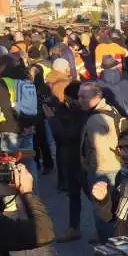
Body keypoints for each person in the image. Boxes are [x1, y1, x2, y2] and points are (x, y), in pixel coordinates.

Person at [79, 82, 121, 242]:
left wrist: (90, 168)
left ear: (97, 97)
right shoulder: (111, 109)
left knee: (103, 209)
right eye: (79, 96)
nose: (79, 100)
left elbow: (99, 151)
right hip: (114, 165)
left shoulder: (95, 119)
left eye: (84, 97)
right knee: (114, 206)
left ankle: (108, 244)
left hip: (103, 169)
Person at [44, 83, 86, 243]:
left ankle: (105, 227)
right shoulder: (73, 111)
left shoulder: (80, 113)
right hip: (72, 158)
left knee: (90, 195)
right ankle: (74, 227)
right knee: (74, 194)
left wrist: (53, 120)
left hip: (78, 159)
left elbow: (67, 135)